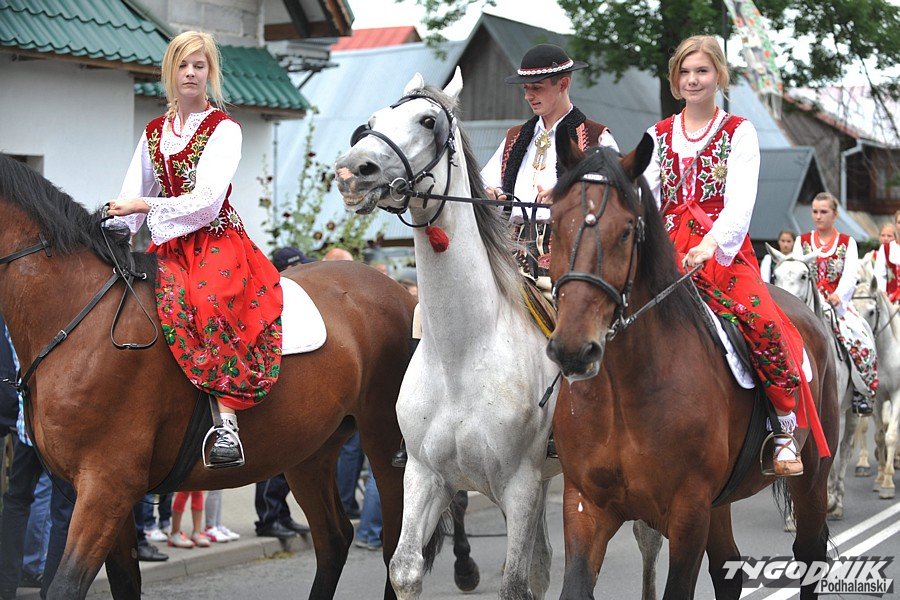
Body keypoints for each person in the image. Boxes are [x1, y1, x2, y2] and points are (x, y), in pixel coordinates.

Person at [642, 35, 830, 477]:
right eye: (685, 72)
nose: (693, 79)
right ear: (674, 79)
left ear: (719, 76)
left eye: (702, 71)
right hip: (666, 249)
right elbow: (646, 197)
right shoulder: (658, 135)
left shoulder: (739, 131)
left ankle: (783, 427)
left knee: (763, 322)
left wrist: (710, 244)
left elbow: (740, 204)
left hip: (720, 250)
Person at [106, 31, 283, 469]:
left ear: (210, 73)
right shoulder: (154, 132)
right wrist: (110, 235)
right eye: (183, 65)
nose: (190, 73)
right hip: (169, 245)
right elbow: (131, 194)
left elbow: (206, 202)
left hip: (216, 239)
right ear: (170, 71)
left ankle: (227, 424)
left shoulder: (224, 129)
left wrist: (144, 206)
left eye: (198, 66)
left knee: (210, 301)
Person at [481, 43, 618, 281]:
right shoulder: (514, 138)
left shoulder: (597, 138)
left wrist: (567, 194)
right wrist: (492, 194)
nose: (528, 96)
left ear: (563, 84)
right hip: (508, 251)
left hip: (570, 254)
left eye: (537, 87)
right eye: (525, 88)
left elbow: (619, 197)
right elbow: (483, 184)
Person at [0, 317, 77, 599]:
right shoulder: (62, 316)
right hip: (58, 430)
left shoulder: (16, 317)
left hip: (27, 426)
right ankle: (50, 592)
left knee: (17, 501)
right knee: (62, 512)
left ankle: (6, 585)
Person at [795, 192, 879, 415]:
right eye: (815, 211)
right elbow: (795, 273)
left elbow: (851, 275)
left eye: (824, 212)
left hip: (837, 306)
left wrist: (838, 295)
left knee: (861, 338)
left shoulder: (846, 242)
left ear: (835, 214)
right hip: (807, 307)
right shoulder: (801, 242)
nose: (818, 216)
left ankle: (862, 391)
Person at [874, 211, 900, 303]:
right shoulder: (886, 248)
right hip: (891, 300)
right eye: (899, 222)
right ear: (895, 225)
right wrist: (882, 291)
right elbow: (879, 274)